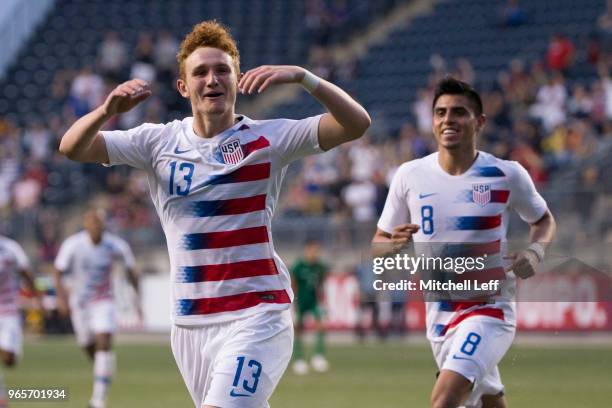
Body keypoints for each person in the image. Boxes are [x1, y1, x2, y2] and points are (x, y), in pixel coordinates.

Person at [58, 20, 370, 408]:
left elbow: (356, 124)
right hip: (190, 323)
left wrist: (305, 78)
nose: (212, 79)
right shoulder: (157, 142)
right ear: (183, 87)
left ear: (237, 78)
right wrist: (107, 109)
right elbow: (72, 147)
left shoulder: (270, 138)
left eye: (222, 70)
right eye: (200, 72)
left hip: (258, 315)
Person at [372, 77, 556, 408]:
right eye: (440, 112)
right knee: (490, 401)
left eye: (459, 112)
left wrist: (535, 250)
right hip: (440, 316)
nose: (448, 120)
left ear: (479, 121)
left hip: (490, 310)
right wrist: (392, 246)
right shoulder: (409, 175)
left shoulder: (506, 174)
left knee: (445, 400)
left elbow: (543, 220)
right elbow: (378, 245)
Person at [53, 209, 139, 408]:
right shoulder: (73, 245)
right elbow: (58, 271)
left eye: (99, 223)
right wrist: (62, 298)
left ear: (104, 225)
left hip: (103, 302)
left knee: (103, 341)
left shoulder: (116, 245)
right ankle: (105, 366)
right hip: (80, 304)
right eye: (92, 223)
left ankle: (98, 400)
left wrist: (137, 296)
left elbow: (130, 269)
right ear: (86, 225)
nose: (96, 227)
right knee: (88, 346)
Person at [0, 235, 41, 408]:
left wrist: (38, 297)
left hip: (9, 310)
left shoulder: (11, 248)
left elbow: (26, 273)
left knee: (9, 359)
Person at [291, 239, 329, 375]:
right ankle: (299, 359)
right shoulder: (298, 266)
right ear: (307, 250)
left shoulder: (320, 267)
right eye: (312, 250)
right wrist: (293, 302)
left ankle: (318, 357)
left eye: (316, 250)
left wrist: (322, 300)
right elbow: (293, 284)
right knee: (298, 330)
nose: (314, 253)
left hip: (314, 301)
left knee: (321, 326)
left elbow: (321, 284)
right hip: (300, 301)